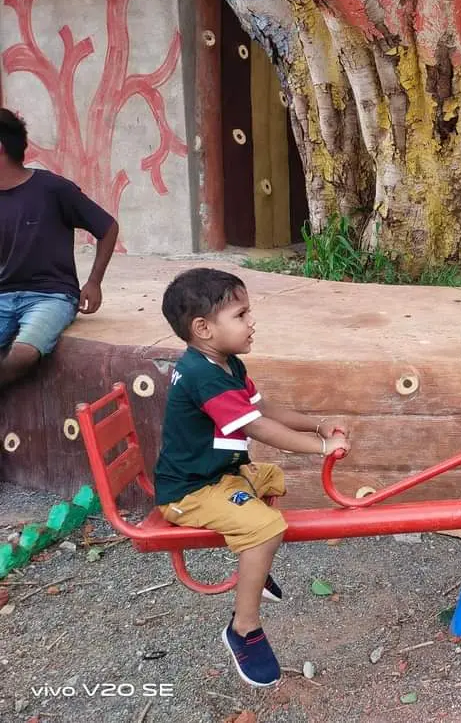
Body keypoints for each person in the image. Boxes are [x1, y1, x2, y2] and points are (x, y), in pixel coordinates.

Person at [155, 268, 350, 688]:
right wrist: (320, 447)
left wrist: (316, 425)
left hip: (220, 474)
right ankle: (243, 628)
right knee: (266, 528)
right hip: (190, 492)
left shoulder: (226, 364)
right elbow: (257, 427)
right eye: (241, 315)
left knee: (271, 478)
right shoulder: (203, 377)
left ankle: (254, 572)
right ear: (204, 328)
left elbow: (263, 408)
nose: (252, 322)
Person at [0, 108, 119, 391]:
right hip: (2, 295)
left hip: (52, 296)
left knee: (23, 354)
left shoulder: (53, 189)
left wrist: (94, 282)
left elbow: (107, 227)